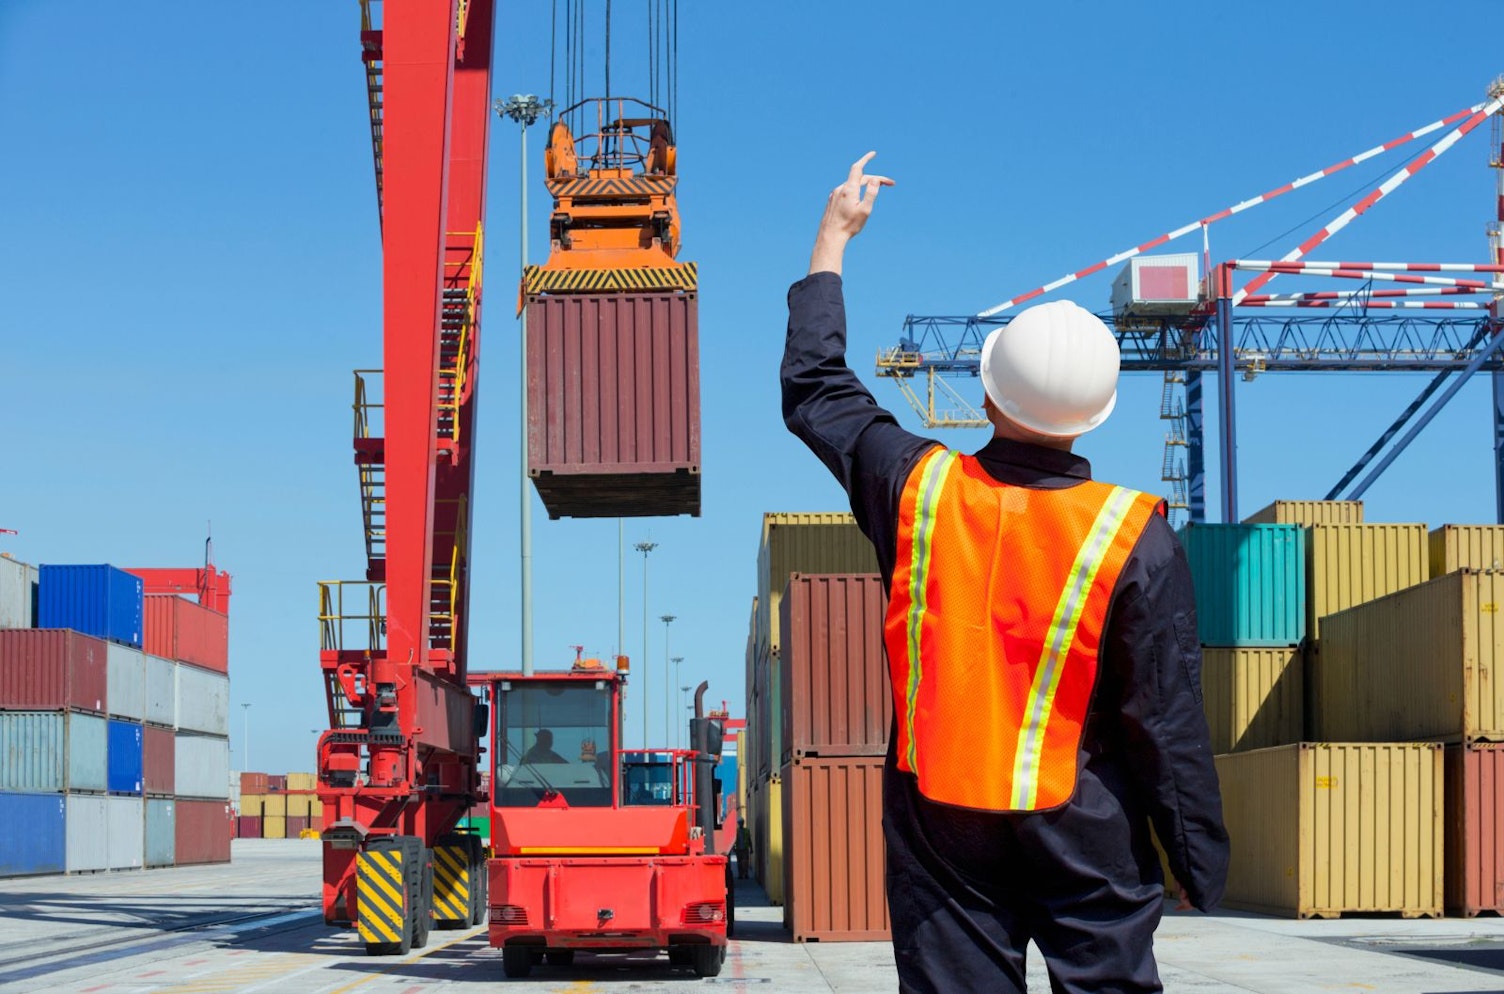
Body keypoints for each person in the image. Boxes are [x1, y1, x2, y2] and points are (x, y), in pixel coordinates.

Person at [780, 152, 1229, 994]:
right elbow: (1163, 720)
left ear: (987, 398)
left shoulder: (917, 489)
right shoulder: (1135, 536)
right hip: (1086, 821)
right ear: (1097, 412)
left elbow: (816, 388)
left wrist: (833, 237)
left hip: (943, 818)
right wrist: (1198, 859)